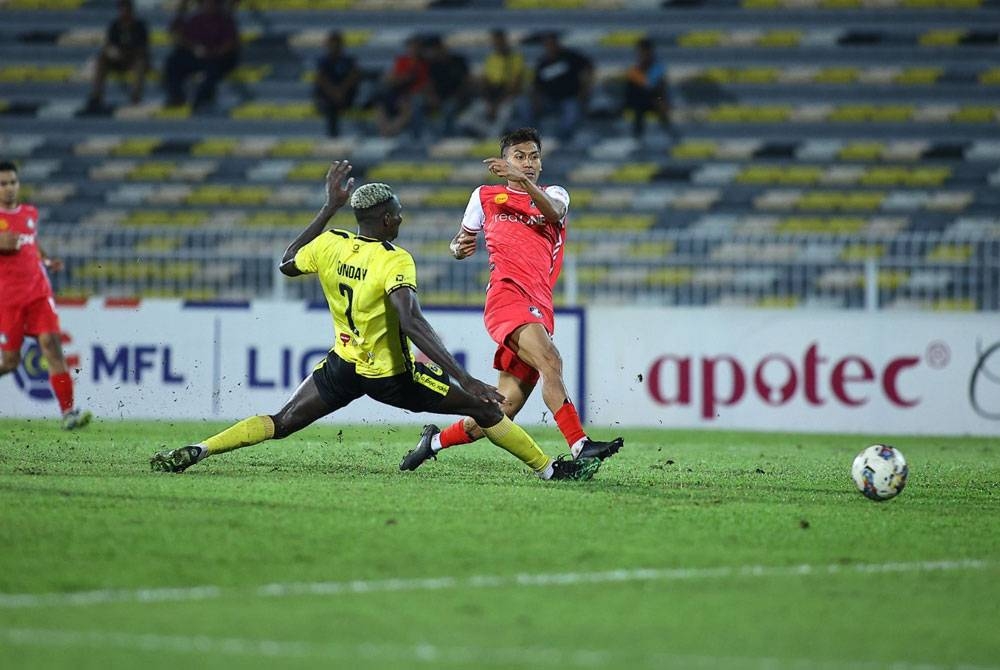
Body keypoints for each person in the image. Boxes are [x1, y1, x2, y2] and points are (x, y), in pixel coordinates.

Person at [150, 162, 613, 481]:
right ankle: (550, 469)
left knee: (282, 420)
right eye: (398, 212)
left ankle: (202, 449)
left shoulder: (330, 244)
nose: (402, 217)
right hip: (392, 375)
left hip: (343, 364)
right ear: (387, 219)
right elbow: (411, 323)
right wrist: (465, 378)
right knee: (487, 409)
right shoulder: (395, 260)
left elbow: (287, 262)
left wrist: (328, 207)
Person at [399, 128, 622, 472]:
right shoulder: (484, 196)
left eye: (534, 157)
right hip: (506, 297)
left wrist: (523, 181)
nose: (528, 162)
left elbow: (554, 213)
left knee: (502, 410)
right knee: (550, 360)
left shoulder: (555, 194)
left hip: (539, 305)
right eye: (519, 157)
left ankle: (434, 442)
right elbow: (459, 241)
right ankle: (580, 445)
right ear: (504, 162)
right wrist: (457, 248)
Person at [0, 161, 92, 430]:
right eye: (3, 184)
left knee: (52, 345)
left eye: (13, 182)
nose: (9, 188)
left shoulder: (29, 213)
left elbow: (31, 245)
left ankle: (69, 413)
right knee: (10, 362)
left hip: (39, 293)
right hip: (9, 300)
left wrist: (46, 260)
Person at [162, 0, 240, 111]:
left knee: (213, 70)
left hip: (217, 58)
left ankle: (201, 101)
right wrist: (195, 49)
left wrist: (214, 53)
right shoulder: (196, 20)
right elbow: (182, 38)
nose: (209, 6)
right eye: (206, 3)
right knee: (173, 61)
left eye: (212, 3)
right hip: (198, 56)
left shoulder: (225, 20)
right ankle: (176, 96)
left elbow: (230, 44)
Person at [517, 32, 592, 142]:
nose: (550, 47)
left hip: (569, 98)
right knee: (523, 103)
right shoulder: (542, 62)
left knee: (572, 112)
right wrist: (535, 99)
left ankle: (562, 140)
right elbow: (536, 85)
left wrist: (585, 89)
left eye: (552, 43)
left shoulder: (570, 57)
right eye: (547, 44)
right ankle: (529, 137)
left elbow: (589, 67)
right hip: (549, 100)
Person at [83, 0, 150, 113]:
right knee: (102, 60)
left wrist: (127, 53)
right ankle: (97, 95)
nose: (124, 13)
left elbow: (143, 48)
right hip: (118, 60)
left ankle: (136, 96)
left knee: (140, 63)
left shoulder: (140, 26)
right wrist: (113, 52)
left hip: (134, 59)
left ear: (132, 11)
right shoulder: (115, 26)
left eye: (127, 10)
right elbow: (109, 44)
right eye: (122, 10)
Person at [458, 28, 526, 139]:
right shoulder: (491, 59)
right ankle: (490, 133)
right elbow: (485, 84)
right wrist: (489, 103)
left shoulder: (516, 58)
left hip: (507, 99)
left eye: (500, 42)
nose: (498, 45)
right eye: (496, 42)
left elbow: (514, 86)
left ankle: (493, 138)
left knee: (504, 115)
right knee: (464, 119)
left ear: (505, 41)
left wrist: (497, 105)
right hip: (491, 99)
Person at [373, 35, 428, 138]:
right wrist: (400, 79)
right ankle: (384, 132)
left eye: (416, 47)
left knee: (407, 107)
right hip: (397, 92)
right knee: (381, 105)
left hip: (412, 95)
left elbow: (424, 84)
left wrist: (404, 83)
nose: (413, 50)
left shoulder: (424, 63)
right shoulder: (401, 61)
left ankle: (392, 131)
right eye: (411, 47)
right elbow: (391, 78)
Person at [313, 30, 361, 137]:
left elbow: (353, 77)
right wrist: (334, 92)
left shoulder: (349, 61)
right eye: (331, 45)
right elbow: (321, 80)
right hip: (329, 98)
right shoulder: (323, 62)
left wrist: (341, 91)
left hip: (345, 96)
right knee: (330, 107)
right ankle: (333, 136)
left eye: (336, 45)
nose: (333, 47)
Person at [623, 38, 673, 140]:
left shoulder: (658, 69)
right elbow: (629, 92)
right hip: (638, 102)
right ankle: (636, 138)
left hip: (654, 101)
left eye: (643, 52)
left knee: (659, 105)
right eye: (639, 52)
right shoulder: (634, 70)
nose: (641, 55)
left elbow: (661, 91)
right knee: (638, 108)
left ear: (650, 52)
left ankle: (671, 135)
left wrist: (660, 101)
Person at [422, 34, 471, 138]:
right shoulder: (433, 65)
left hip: (458, 97)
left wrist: (457, 97)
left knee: (448, 107)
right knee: (419, 103)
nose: (431, 53)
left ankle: (445, 136)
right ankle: (420, 135)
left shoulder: (458, 61)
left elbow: (466, 82)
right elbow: (429, 85)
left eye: (433, 50)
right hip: (440, 98)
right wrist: (432, 97)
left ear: (440, 48)